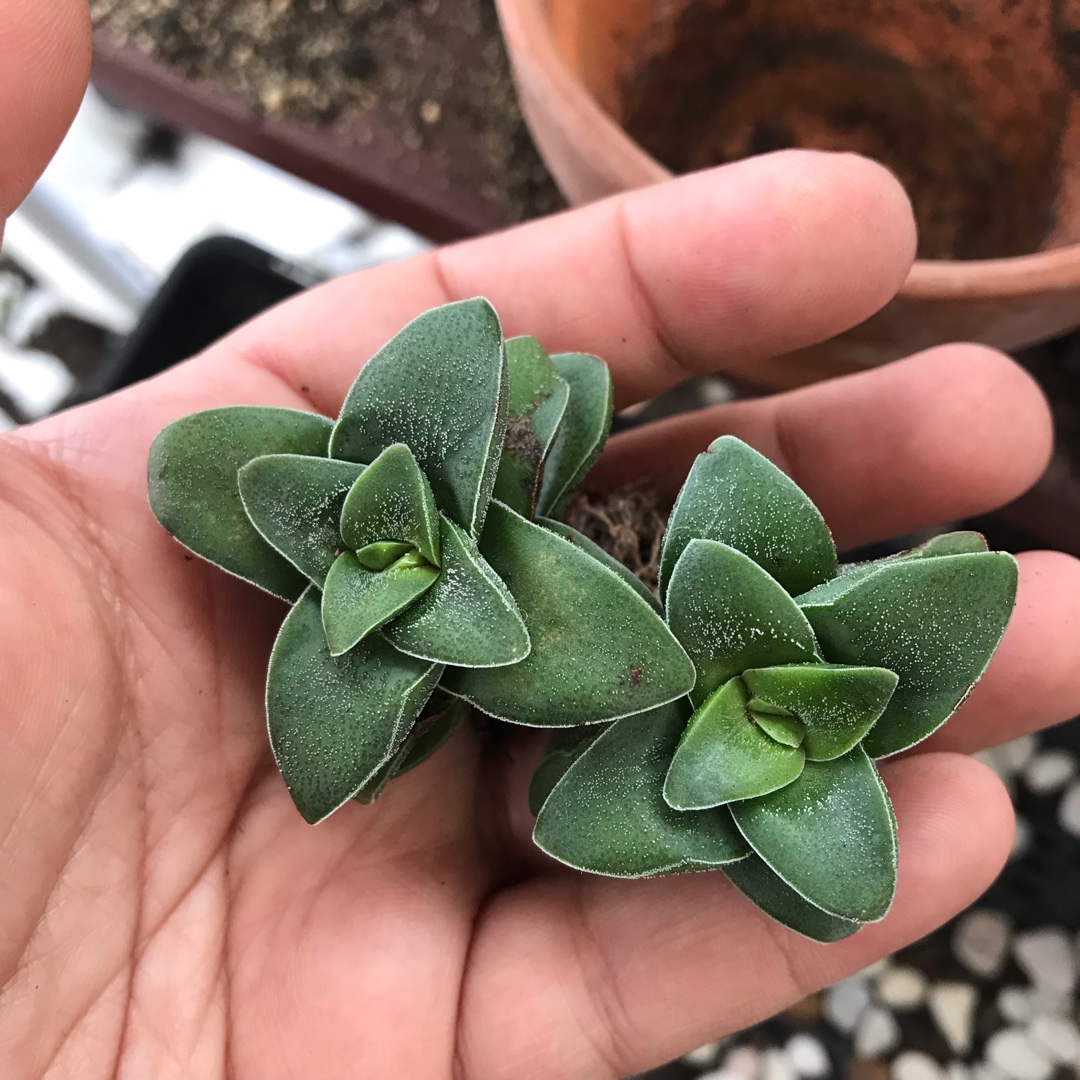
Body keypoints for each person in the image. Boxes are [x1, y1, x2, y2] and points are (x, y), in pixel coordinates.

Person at [3, 3, 1079, 1078]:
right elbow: (213, 477)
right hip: (509, 619)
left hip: (613, 641)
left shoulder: (691, 626)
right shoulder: (411, 571)